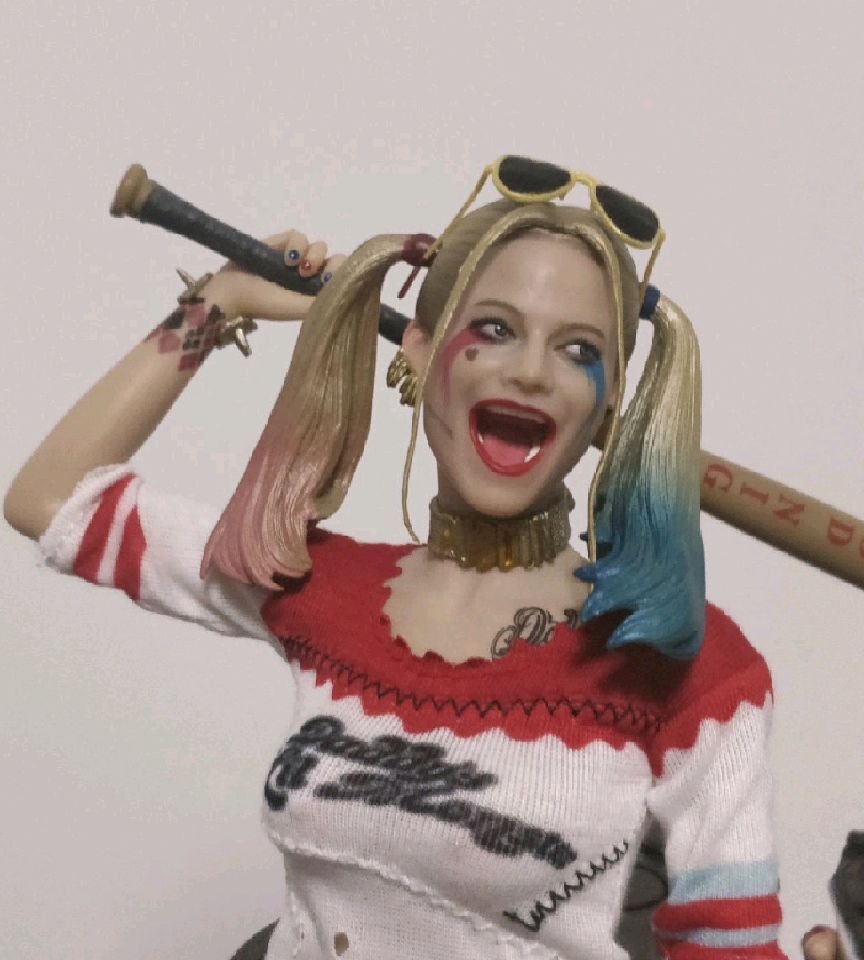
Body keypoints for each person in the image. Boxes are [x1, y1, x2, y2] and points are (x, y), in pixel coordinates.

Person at [7, 159, 786, 960]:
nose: (529, 371)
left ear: (610, 399)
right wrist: (219, 301)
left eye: (577, 349)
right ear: (418, 350)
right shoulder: (313, 583)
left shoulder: (691, 666)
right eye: (495, 329)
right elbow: (51, 501)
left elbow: (731, 946)